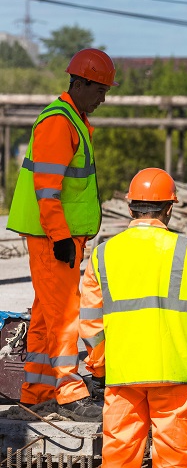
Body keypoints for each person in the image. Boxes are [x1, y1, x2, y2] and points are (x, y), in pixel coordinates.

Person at [79, 168, 187, 468]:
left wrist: (97, 368)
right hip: (173, 372)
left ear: (130, 206)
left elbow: (91, 321)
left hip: (122, 374)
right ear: (170, 208)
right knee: (174, 457)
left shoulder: (103, 254)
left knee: (119, 456)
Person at [6, 48, 117, 422]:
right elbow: (47, 191)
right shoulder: (59, 122)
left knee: (43, 316)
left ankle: (37, 392)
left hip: (57, 236)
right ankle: (70, 392)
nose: (103, 97)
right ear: (81, 82)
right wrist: (62, 238)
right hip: (53, 238)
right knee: (66, 315)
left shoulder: (74, 119)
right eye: (100, 89)